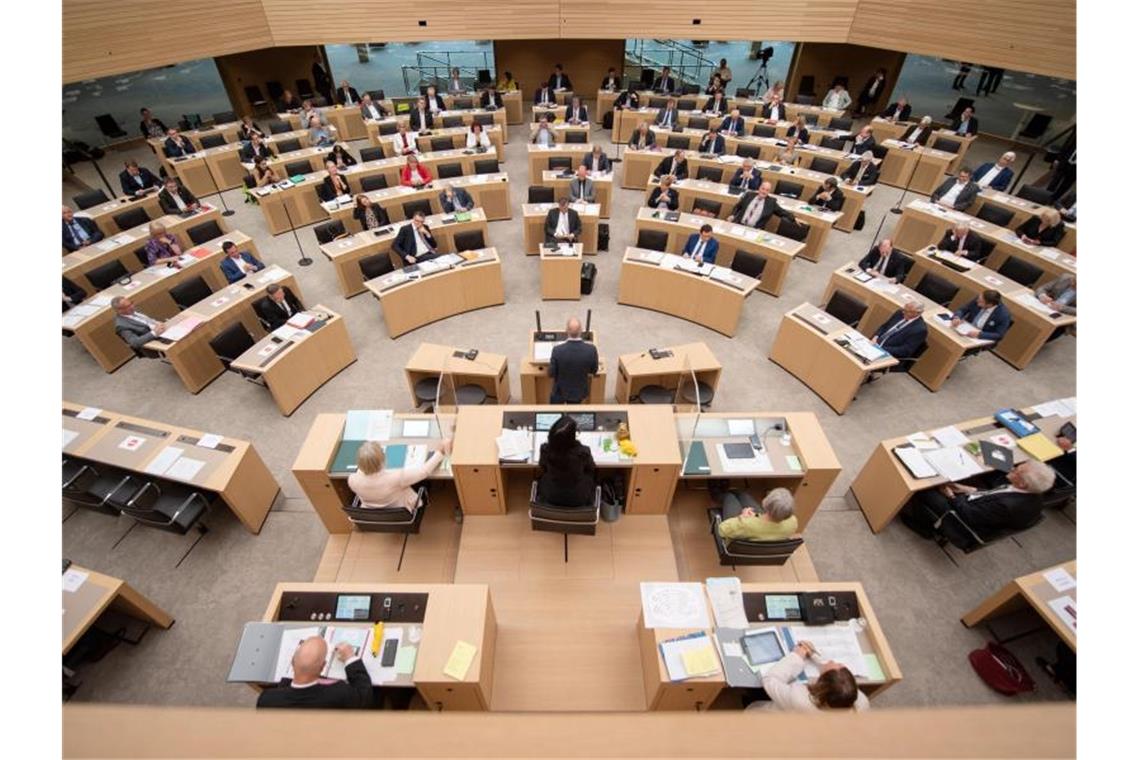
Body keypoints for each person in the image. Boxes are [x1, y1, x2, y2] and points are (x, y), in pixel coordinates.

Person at [901, 460, 1054, 544]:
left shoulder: (1007, 506)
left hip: (964, 521)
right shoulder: (1033, 492)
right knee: (960, 482)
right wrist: (965, 488)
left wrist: (951, 496)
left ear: (1022, 484)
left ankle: (925, 527)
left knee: (925, 489)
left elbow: (967, 514)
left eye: (1016, 471)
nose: (1012, 468)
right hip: (981, 509)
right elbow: (994, 494)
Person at [256, 637, 371, 710]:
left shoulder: (266, 700)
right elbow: (364, 698)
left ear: (292, 662)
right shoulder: (339, 693)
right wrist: (350, 658)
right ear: (322, 667)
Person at [756, 642, 868, 712]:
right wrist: (815, 656)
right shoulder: (861, 704)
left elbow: (770, 680)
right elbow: (836, 681)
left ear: (820, 686)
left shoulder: (799, 699)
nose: (833, 662)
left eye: (837, 665)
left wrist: (796, 656)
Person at [348, 438, 451, 512]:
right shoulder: (396, 477)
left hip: (376, 511)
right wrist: (440, 452)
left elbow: (363, 473)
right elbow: (424, 472)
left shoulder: (352, 480)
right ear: (382, 460)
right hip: (402, 508)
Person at [536, 415, 596, 504]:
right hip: (578, 497)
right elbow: (591, 468)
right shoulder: (583, 452)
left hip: (551, 495)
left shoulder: (545, 450)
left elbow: (543, 467)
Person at [715, 487, 797, 541]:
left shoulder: (745, 524)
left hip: (742, 530)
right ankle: (730, 489)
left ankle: (718, 491)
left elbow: (721, 530)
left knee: (729, 497)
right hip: (758, 530)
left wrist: (741, 518)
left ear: (766, 504)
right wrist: (755, 517)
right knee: (742, 494)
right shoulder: (792, 522)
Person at [547, 319, 598, 404]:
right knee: (574, 415)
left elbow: (551, 373)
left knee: (555, 413)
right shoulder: (591, 350)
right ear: (581, 330)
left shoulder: (557, 350)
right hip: (579, 392)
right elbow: (594, 370)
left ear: (566, 330)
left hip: (560, 391)